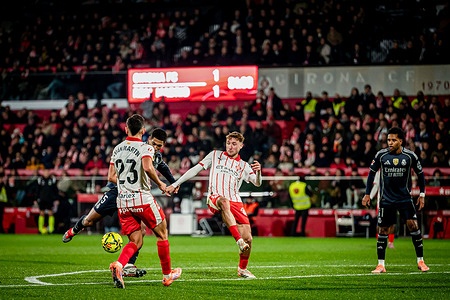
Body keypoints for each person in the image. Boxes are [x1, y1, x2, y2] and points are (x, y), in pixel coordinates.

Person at [62, 128, 179, 277]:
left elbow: (161, 166)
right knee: (89, 220)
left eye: (159, 146)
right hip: (116, 192)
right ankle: (74, 230)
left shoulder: (154, 154)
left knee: (141, 231)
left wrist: (174, 182)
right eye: (154, 144)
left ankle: (129, 265)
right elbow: (117, 175)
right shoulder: (139, 149)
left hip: (132, 197)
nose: (156, 148)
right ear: (148, 138)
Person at [166, 131, 262, 278]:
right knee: (224, 202)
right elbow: (195, 169)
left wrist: (259, 172)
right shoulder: (215, 155)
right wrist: (176, 183)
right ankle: (238, 241)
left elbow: (257, 183)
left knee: (248, 238)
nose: (230, 146)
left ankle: (242, 269)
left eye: (234, 144)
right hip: (215, 197)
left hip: (235, 201)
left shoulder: (244, 166)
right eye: (228, 143)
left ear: (241, 146)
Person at [108, 114, 181, 288]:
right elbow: (148, 167)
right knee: (162, 234)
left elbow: (111, 177)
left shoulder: (117, 149)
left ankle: (119, 265)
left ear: (126, 129)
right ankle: (167, 275)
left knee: (136, 241)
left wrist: (127, 184)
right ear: (143, 131)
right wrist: (161, 184)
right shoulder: (145, 147)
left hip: (123, 202)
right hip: (141, 198)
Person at [362, 127, 429, 273]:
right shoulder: (381, 155)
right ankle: (381, 265)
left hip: (405, 198)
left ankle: (421, 261)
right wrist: (367, 194)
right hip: (386, 199)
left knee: (413, 226)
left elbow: (421, 174)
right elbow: (371, 174)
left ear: (400, 141)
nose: (390, 143)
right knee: (383, 230)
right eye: (388, 140)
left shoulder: (410, 156)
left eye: (393, 140)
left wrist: (422, 195)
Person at [370, 170, 395, 249]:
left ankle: (390, 242)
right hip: (381, 201)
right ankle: (380, 241)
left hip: (392, 200)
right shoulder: (379, 172)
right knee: (380, 222)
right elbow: (376, 186)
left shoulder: (395, 171)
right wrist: (370, 196)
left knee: (391, 223)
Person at [36, 169, 59, 234]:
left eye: (47, 172)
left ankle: (51, 230)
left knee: (50, 213)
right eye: (45, 172)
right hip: (42, 199)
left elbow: (55, 190)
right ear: (43, 173)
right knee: (41, 213)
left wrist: (56, 199)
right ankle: (40, 230)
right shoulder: (40, 180)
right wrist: (36, 199)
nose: (46, 173)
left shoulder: (52, 180)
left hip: (50, 199)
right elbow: (37, 190)